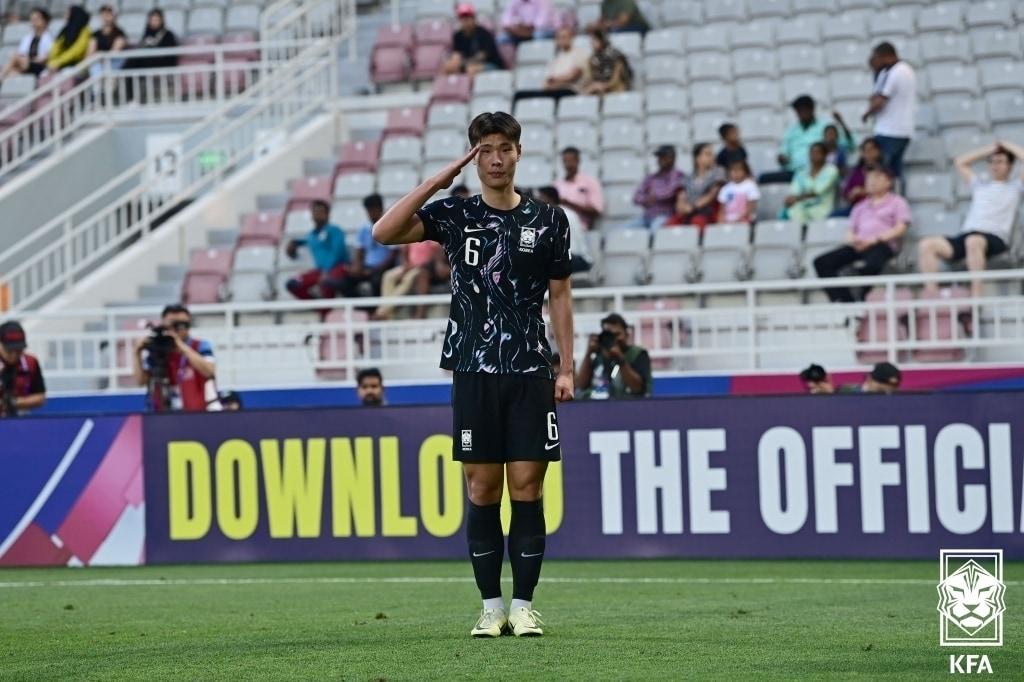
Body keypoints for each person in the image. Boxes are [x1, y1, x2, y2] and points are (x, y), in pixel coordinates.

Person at [372, 111, 575, 638]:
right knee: (481, 488)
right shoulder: (454, 214)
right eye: (485, 149)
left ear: (519, 153)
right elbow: (384, 231)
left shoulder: (549, 219)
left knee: (527, 486)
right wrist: (439, 179)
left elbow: (560, 295)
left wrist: (567, 367)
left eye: (505, 147)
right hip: (473, 367)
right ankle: (491, 606)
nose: (496, 158)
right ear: (473, 157)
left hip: (531, 368)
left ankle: (524, 606)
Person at [918, 142, 1024, 299]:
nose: (995, 166)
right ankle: (932, 295)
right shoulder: (980, 186)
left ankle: (976, 295)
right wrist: (989, 150)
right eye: (992, 161)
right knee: (927, 245)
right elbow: (960, 162)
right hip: (969, 234)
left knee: (974, 241)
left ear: (1010, 165)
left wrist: (1006, 146)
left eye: (1000, 161)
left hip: (995, 238)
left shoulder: (1015, 187)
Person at [813, 167, 909, 303]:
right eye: (869, 178)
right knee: (821, 262)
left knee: (872, 263)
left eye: (877, 177)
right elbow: (850, 231)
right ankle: (845, 300)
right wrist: (854, 240)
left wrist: (875, 240)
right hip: (859, 245)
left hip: (882, 244)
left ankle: (862, 295)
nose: (871, 182)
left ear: (888, 182)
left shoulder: (897, 202)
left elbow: (901, 228)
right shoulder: (860, 206)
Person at [131, 305, 216, 412]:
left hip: (195, 415)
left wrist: (180, 346)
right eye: (173, 324)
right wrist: (136, 353)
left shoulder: (200, 345)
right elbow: (141, 381)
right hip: (161, 414)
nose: (178, 328)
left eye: (183, 325)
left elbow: (209, 371)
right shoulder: (157, 347)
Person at [863, 42, 916, 180]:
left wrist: (867, 113)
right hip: (903, 131)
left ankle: (888, 201)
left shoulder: (894, 72)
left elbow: (878, 102)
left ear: (884, 56)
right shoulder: (906, 69)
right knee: (894, 172)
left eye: (875, 57)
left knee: (882, 174)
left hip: (889, 131)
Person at [576, 313, 651, 400]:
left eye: (616, 335)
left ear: (626, 334)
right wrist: (588, 353)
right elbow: (581, 385)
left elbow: (638, 388)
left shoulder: (638, 354)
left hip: (629, 405)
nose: (613, 339)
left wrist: (619, 358)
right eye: (609, 335)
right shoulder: (598, 355)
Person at [760, 95, 834, 184]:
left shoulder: (825, 126)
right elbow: (783, 153)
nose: (801, 113)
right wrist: (782, 158)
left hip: (818, 171)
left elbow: (841, 145)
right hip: (795, 172)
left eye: (803, 110)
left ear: (812, 109)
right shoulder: (791, 130)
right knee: (763, 178)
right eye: (798, 111)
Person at [285, 200, 350, 300]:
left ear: (328, 214)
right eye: (315, 211)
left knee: (328, 282)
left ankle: (326, 311)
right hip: (319, 271)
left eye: (321, 212)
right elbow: (307, 240)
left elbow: (337, 253)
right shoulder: (311, 235)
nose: (318, 214)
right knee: (293, 284)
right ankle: (319, 309)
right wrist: (294, 243)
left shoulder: (335, 231)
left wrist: (326, 271)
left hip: (337, 268)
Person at [374, 238, 449, 320]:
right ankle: (387, 310)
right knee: (388, 275)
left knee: (408, 279)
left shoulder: (431, 237)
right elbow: (404, 251)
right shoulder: (412, 234)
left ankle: (383, 311)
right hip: (409, 266)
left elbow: (437, 251)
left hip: (422, 268)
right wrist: (405, 266)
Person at [512, 25, 589, 103]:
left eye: (565, 37)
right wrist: (552, 83)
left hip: (570, 90)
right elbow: (548, 79)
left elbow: (573, 76)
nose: (562, 40)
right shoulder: (555, 58)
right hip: (553, 91)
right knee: (519, 95)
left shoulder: (580, 53)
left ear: (571, 38)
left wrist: (555, 80)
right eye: (559, 37)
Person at [346, 194, 397, 298]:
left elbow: (393, 254)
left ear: (380, 208)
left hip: (383, 267)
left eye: (373, 209)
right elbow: (359, 251)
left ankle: (376, 309)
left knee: (377, 280)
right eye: (368, 210)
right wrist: (358, 266)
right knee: (345, 281)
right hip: (368, 266)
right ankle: (364, 309)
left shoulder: (390, 226)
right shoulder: (364, 229)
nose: (370, 213)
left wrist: (376, 269)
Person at [667, 142, 725, 230]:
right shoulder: (688, 177)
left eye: (712, 154)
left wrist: (692, 207)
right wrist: (682, 207)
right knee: (670, 225)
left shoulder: (718, 172)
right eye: (707, 154)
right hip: (687, 212)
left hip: (706, 212)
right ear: (697, 158)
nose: (712, 157)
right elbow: (681, 196)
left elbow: (712, 194)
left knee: (697, 222)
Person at [537, 185, 593, 273]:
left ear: (550, 199)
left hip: (576, 258)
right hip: (570, 257)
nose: (538, 201)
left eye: (541, 197)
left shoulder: (560, 214)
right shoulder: (558, 213)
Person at [781, 142, 840, 223]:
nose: (814, 155)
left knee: (796, 211)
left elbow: (817, 191)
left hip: (822, 208)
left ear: (825, 155)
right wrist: (790, 199)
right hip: (802, 207)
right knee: (791, 209)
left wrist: (797, 198)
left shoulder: (831, 170)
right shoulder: (801, 172)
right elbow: (794, 191)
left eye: (818, 152)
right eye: (812, 152)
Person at [631, 145, 684, 230]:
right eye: (659, 157)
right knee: (620, 232)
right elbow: (636, 197)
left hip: (666, 216)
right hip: (647, 217)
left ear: (672, 158)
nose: (659, 160)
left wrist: (654, 194)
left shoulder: (677, 175)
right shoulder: (651, 178)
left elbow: (670, 192)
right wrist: (646, 199)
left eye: (663, 157)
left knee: (654, 230)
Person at [443, 4, 505, 76]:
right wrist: (455, 61)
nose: (465, 20)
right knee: (449, 67)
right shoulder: (458, 36)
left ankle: (469, 87)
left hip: (491, 64)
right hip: (467, 63)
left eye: (468, 17)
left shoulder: (484, 34)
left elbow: (481, 57)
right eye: (462, 17)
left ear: (474, 18)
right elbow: (457, 54)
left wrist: (462, 63)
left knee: (471, 69)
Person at [0, 321, 46, 417]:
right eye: (9, 351)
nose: (14, 355)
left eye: (18, 350)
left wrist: (14, 402)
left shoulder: (31, 363)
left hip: (20, 420)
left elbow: (40, 397)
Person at [0, 7, 52, 88]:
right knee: (12, 72)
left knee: (14, 58)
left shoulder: (48, 38)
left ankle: (1, 77)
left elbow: (46, 57)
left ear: (44, 21)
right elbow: (22, 52)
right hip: (26, 64)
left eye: (37, 19)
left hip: (39, 66)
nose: (34, 21)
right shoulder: (27, 38)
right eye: (32, 19)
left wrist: (30, 60)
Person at [554, 146, 603, 229]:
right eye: (566, 161)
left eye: (571, 161)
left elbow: (596, 211)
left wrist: (568, 203)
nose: (569, 164)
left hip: (580, 229)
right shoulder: (556, 185)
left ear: (578, 161)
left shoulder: (590, 182)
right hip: (558, 229)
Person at [834, 138, 884, 217]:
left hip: (877, 209)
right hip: (856, 209)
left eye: (871, 150)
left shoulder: (884, 171)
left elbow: (885, 191)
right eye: (865, 151)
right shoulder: (856, 171)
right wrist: (851, 195)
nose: (868, 153)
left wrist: (863, 191)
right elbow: (846, 193)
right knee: (833, 216)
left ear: (878, 152)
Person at [583, 28, 631, 95]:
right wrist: (593, 85)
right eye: (591, 41)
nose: (592, 43)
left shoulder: (616, 56)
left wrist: (604, 86)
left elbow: (617, 79)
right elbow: (590, 77)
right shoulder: (592, 59)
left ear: (602, 40)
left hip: (615, 88)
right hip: (598, 88)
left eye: (594, 40)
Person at [46, 5, 91, 72]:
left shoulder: (84, 30)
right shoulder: (65, 30)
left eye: (68, 13)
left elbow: (77, 50)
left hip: (75, 64)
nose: (65, 15)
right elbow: (56, 47)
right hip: (59, 64)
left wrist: (59, 62)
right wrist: (52, 61)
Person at [87, 5, 127, 79]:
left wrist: (99, 55)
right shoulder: (95, 34)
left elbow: (114, 52)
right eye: (103, 15)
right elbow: (90, 53)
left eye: (108, 15)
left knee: (112, 64)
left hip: (112, 63)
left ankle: (102, 86)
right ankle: (98, 88)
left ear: (114, 16)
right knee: (95, 66)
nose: (106, 17)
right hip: (99, 64)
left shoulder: (119, 33)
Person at [717, 160, 760, 225]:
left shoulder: (750, 185)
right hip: (728, 222)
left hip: (745, 220)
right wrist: (721, 223)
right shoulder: (725, 189)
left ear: (745, 171)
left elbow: (751, 208)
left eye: (739, 170)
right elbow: (722, 211)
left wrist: (737, 220)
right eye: (733, 170)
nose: (736, 173)